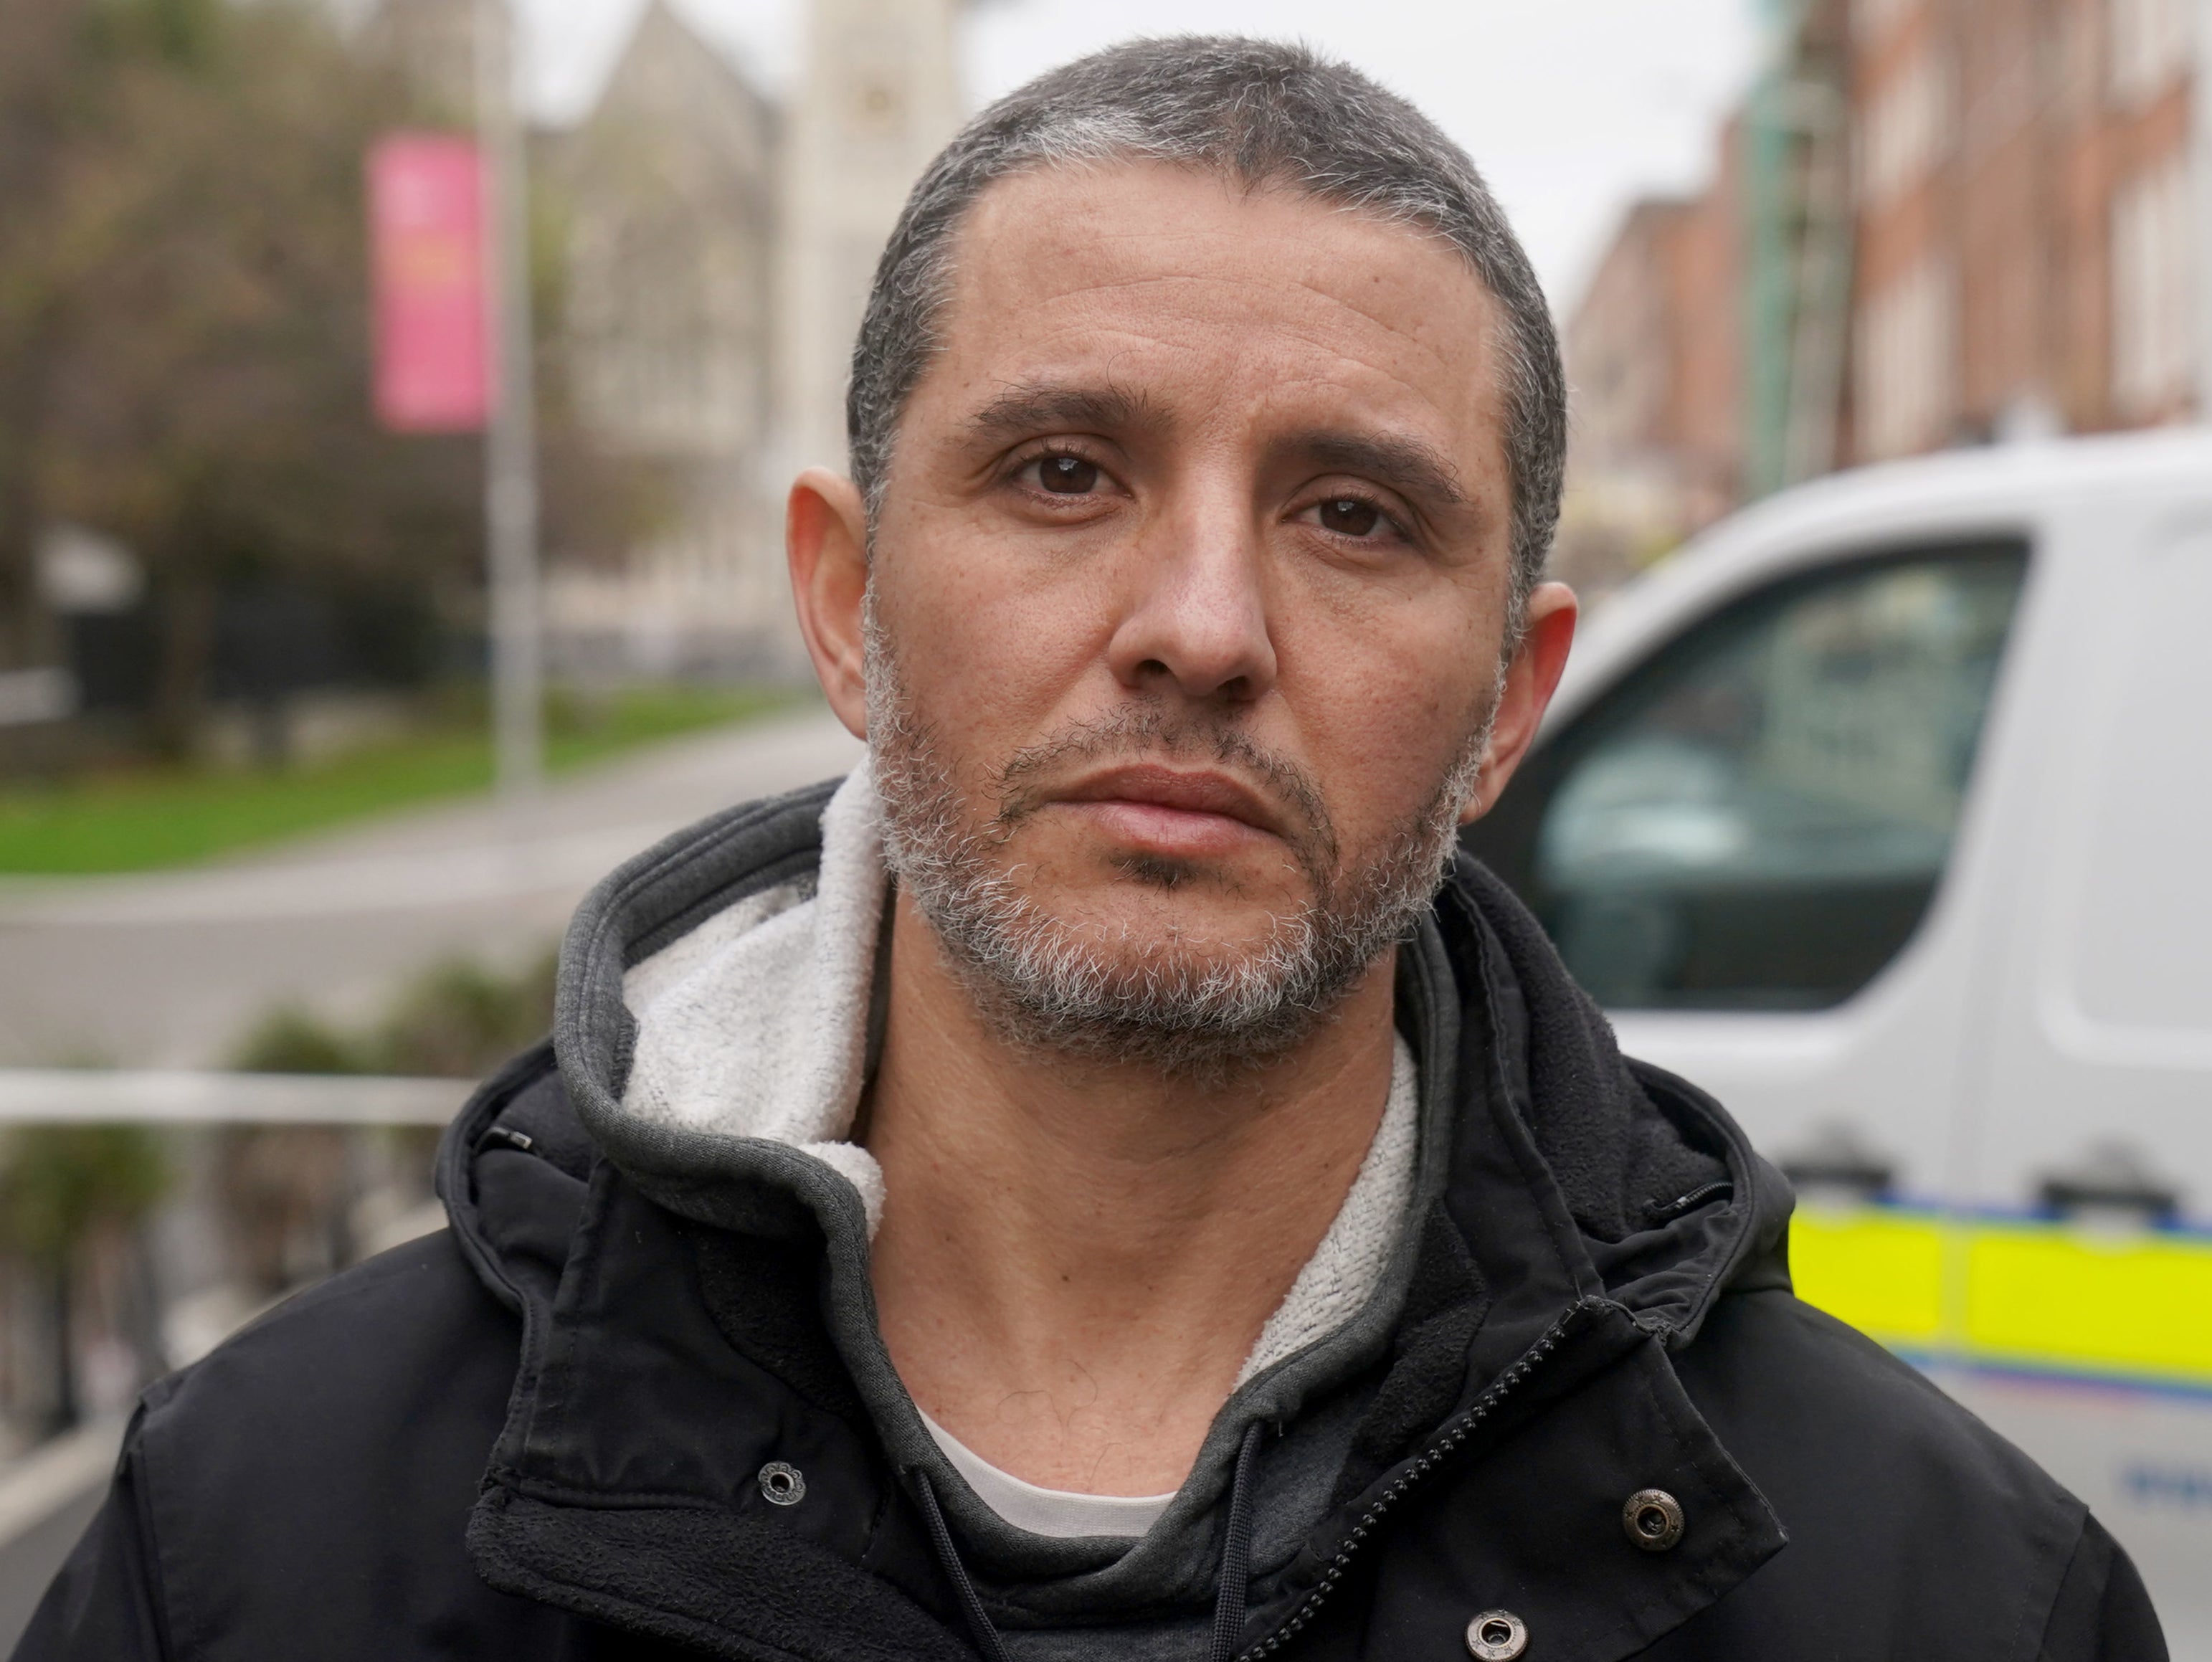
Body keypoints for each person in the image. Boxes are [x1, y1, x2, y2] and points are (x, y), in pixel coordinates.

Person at [18, 37, 2163, 1662]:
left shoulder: (1945, 1595)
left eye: (1354, 516)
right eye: (1062, 472)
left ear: (1513, 698)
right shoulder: (266, 1544)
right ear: (849, 605)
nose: (1204, 628)